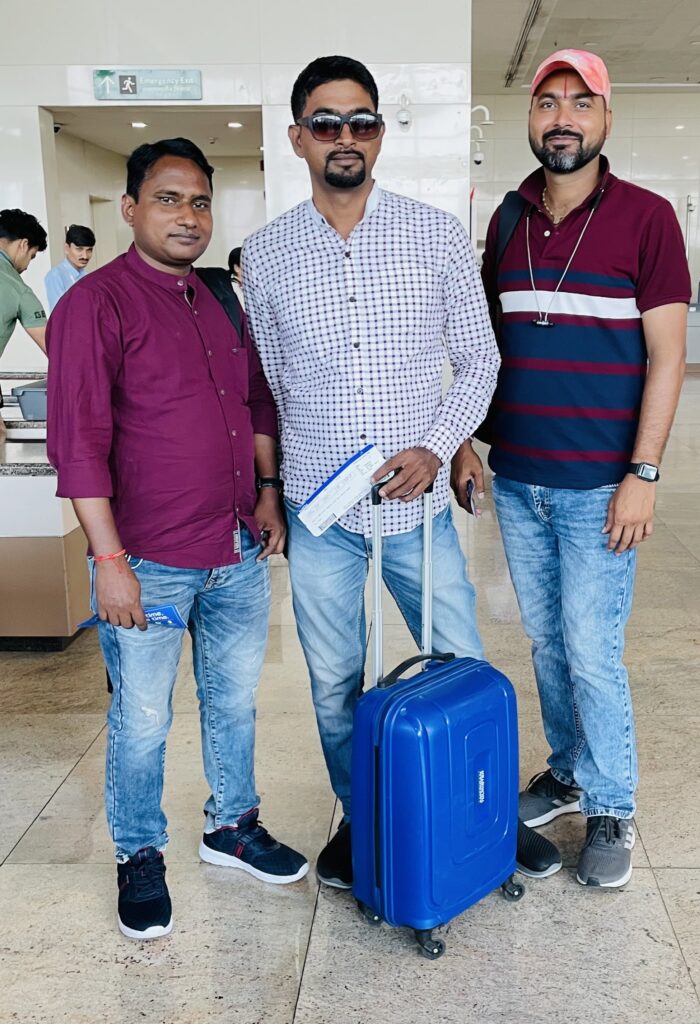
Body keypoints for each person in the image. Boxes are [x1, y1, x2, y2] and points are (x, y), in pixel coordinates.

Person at [243, 54, 560, 889]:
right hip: (321, 511)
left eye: (361, 122)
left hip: (414, 505)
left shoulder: (433, 234)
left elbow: (480, 360)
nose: (344, 138)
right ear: (297, 137)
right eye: (325, 124)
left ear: (380, 134)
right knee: (331, 679)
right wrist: (272, 490)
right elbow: (269, 385)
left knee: (460, 660)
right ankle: (361, 815)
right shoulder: (267, 256)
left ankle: (482, 812)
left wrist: (440, 446)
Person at [46, 137, 308, 942]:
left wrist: (266, 494)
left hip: (233, 550)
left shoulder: (223, 298)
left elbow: (255, 405)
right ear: (130, 210)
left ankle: (231, 825)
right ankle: (139, 852)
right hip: (148, 560)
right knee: (143, 719)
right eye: (168, 199)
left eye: (199, 201)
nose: (188, 215)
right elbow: (77, 443)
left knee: (233, 704)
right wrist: (109, 561)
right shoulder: (94, 305)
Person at [451, 49, 690, 889]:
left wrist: (644, 473)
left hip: (601, 483)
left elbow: (666, 358)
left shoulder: (647, 218)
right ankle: (566, 770)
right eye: (547, 102)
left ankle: (612, 804)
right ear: (529, 119)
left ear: (605, 119)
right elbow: (483, 345)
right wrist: (462, 439)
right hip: (517, 476)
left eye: (579, 103)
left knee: (592, 648)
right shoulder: (509, 220)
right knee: (547, 641)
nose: (561, 117)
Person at [0, 208, 48, 359]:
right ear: (24, 245)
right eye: (32, 256)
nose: (27, 266)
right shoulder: (19, 289)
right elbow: (55, 349)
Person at [44, 224, 96, 311]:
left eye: (89, 250)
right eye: (79, 249)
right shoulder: (55, 276)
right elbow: (59, 313)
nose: (85, 256)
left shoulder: (87, 276)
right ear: (66, 248)